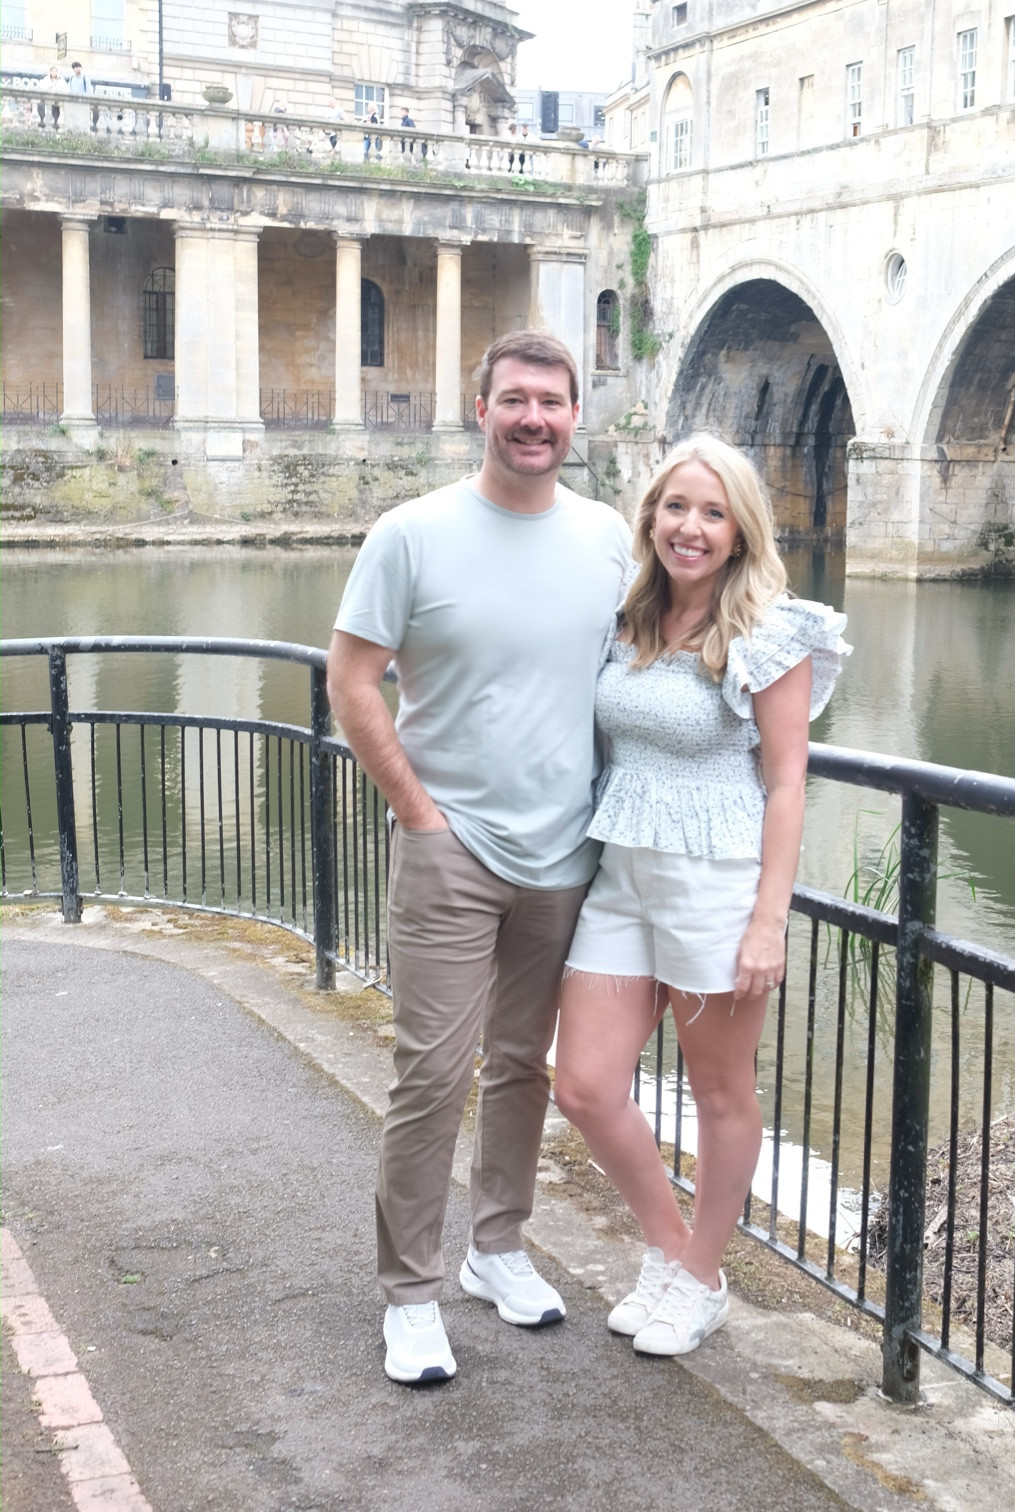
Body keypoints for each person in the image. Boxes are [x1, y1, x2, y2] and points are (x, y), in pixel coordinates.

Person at [327, 330, 633, 1386]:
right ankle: (409, 1294)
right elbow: (352, 680)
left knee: (519, 1067)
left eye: (551, 401)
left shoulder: (606, 538)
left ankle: (495, 1250)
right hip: (449, 848)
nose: (534, 418)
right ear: (482, 408)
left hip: (564, 853)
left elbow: (647, 666)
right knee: (431, 1074)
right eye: (515, 400)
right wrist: (418, 813)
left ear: (573, 415)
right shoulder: (411, 535)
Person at [554, 434, 848, 1357]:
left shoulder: (772, 628)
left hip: (715, 880)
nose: (691, 527)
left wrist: (770, 919)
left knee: (720, 1091)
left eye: (713, 512)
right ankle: (679, 1255)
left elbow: (788, 782)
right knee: (585, 1086)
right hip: (621, 873)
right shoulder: (629, 616)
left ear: (739, 530)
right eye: (677, 507)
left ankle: (697, 1275)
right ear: (652, 515)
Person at [65, 60, 93, 133]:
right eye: (76, 67)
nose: (78, 69)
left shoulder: (85, 78)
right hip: (73, 102)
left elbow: (89, 91)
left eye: (79, 67)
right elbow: (69, 89)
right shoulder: (71, 78)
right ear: (73, 69)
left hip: (83, 102)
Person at [38, 65, 64, 131]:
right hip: (47, 100)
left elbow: (64, 89)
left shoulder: (61, 80)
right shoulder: (46, 79)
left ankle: (56, 126)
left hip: (57, 101)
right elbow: (42, 88)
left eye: (55, 71)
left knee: (56, 114)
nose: (54, 73)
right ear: (50, 72)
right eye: (53, 71)